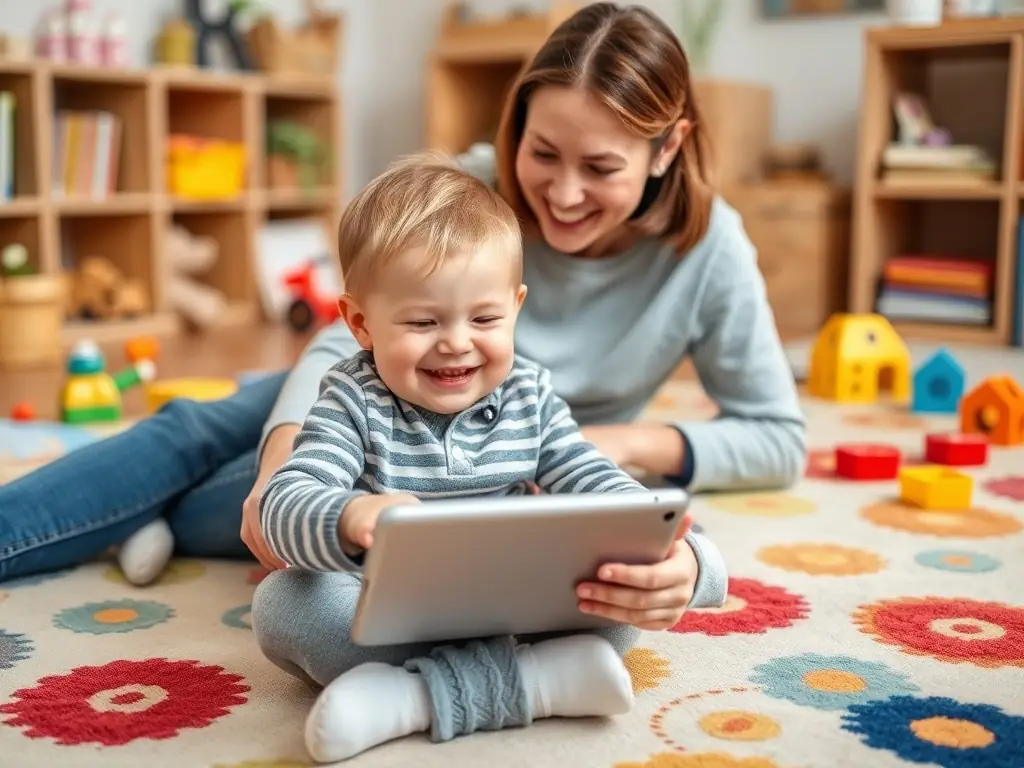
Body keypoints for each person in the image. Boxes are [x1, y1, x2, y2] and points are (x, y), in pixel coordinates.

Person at [0, 0, 802, 644]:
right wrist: (289, 452)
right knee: (200, 431)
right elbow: (348, 329)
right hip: (370, 380)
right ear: (517, 122)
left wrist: (619, 444)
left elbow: (777, 436)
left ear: (668, 150)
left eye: (601, 168)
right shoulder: (472, 193)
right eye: (542, 150)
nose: (560, 194)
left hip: (504, 443)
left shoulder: (710, 249)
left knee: (239, 505)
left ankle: (156, 524)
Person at [253, 152, 728, 763]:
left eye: (484, 318)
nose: (456, 342)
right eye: (423, 321)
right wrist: (348, 518)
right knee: (287, 608)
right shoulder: (351, 398)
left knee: (619, 607)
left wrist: (681, 555)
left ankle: (408, 696)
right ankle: (533, 683)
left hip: (510, 602)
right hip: (389, 612)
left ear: (517, 306)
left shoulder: (529, 393)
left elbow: (591, 478)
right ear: (360, 322)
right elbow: (285, 501)